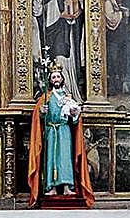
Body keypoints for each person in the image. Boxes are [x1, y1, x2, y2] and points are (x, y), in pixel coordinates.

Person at [28, 64, 94, 206]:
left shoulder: (68, 97)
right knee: (50, 158)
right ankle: (50, 187)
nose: (56, 79)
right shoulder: (46, 97)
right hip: (51, 131)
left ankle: (66, 187)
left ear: (62, 79)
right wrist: (42, 112)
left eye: (58, 76)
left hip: (64, 131)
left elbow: (74, 120)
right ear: (50, 80)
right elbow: (39, 118)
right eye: (53, 77)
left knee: (65, 158)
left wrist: (75, 115)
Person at [41, 0, 83, 101]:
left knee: (63, 59)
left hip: (65, 33)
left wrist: (73, 16)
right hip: (53, 32)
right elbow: (41, 15)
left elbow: (77, 13)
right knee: (55, 59)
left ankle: (69, 90)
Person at [104, 0, 130, 95]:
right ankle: (111, 87)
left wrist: (126, 13)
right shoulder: (108, 1)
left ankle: (119, 87)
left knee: (121, 61)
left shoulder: (117, 2)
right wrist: (122, 14)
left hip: (121, 38)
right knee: (113, 61)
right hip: (113, 38)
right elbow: (110, 18)